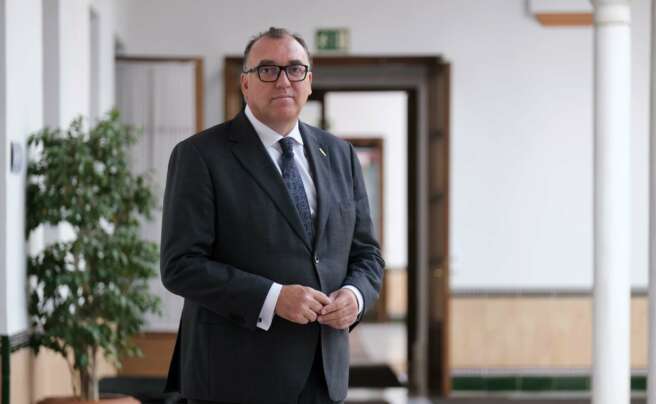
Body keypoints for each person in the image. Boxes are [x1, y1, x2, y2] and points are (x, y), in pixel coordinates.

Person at [160, 27, 384, 404]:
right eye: (267, 70)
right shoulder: (200, 155)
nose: (283, 80)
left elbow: (367, 255)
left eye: (295, 69)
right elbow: (180, 265)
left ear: (309, 82)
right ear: (245, 84)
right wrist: (273, 298)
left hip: (323, 376)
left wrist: (355, 296)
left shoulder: (341, 155)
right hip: (233, 379)